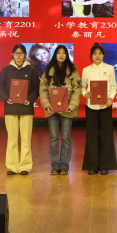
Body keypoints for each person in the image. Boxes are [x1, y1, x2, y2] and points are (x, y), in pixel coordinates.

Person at [0, 44, 40, 175]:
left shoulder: (31, 70)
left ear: (25, 55)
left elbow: (36, 87)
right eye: (16, 53)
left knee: (26, 139)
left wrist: (30, 99)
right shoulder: (6, 70)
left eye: (21, 53)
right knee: (12, 139)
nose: (18, 56)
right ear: (12, 54)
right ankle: (12, 166)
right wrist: (6, 98)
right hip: (10, 107)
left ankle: (25, 166)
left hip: (26, 108)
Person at [39, 45, 81, 175]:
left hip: (67, 109)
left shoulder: (73, 70)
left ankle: (64, 165)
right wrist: (47, 105)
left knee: (66, 138)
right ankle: (55, 165)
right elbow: (43, 89)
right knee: (53, 138)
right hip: (52, 109)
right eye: (58, 53)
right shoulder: (48, 70)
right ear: (55, 55)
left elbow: (77, 89)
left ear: (67, 55)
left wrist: (71, 106)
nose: (61, 55)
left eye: (64, 53)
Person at [81, 43, 117, 175]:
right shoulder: (86, 70)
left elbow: (113, 86)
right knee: (92, 135)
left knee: (106, 135)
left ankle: (105, 165)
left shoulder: (109, 68)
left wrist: (110, 98)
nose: (97, 56)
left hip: (105, 105)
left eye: (100, 53)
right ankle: (92, 166)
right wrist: (85, 93)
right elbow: (82, 86)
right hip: (91, 105)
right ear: (91, 56)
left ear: (103, 55)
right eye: (95, 54)